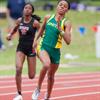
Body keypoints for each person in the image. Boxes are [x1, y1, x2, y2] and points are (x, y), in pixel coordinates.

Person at [32, 0, 72, 100]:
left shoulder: (66, 22)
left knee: (51, 76)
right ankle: (38, 88)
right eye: (60, 5)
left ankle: (48, 96)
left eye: (65, 6)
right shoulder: (48, 17)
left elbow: (68, 41)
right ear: (57, 6)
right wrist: (35, 40)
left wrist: (60, 29)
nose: (62, 7)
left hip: (55, 51)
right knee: (46, 64)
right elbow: (41, 30)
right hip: (43, 47)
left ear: (67, 10)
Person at [6, 3, 41, 100]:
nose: (27, 9)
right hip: (20, 48)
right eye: (25, 8)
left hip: (31, 49)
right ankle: (19, 94)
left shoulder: (35, 23)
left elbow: (41, 33)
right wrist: (10, 35)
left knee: (31, 76)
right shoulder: (19, 20)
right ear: (23, 9)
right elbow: (14, 29)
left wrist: (36, 42)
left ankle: (35, 88)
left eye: (29, 8)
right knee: (18, 69)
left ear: (32, 11)